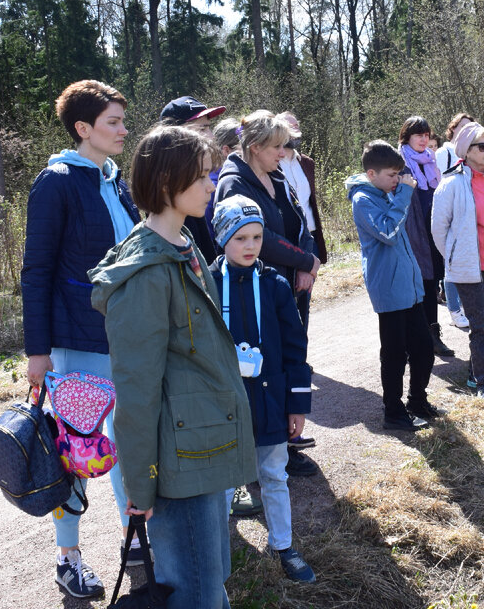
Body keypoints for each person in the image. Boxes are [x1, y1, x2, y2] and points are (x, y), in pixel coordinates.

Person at [89, 124, 256, 609]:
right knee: (196, 593)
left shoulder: (182, 245)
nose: (212, 186)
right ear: (167, 183)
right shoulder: (146, 271)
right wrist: (140, 485)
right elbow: (135, 390)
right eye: (203, 177)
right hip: (179, 462)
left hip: (200, 446)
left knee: (211, 583)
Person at [20, 80, 141, 599]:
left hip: (126, 337)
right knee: (78, 451)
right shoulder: (57, 182)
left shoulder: (115, 182)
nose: (123, 130)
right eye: (113, 122)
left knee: (128, 443)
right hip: (76, 340)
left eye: (122, 121)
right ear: (83, 128)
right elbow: (36, 271)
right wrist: (37, 351)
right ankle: (68, 558)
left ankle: (132, 539)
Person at [209, 195, 317, 583]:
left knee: (274, 474)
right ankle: (217, 557)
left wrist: (296, 405)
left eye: (256, 237)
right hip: (224, 409)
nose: (250, 246)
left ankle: (284, 545)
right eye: (240, 238)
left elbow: (295, 349)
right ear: (222, 239)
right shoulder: (205, 286)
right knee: (221, 484)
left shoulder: (274, 286)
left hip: (270, 401)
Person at [346, 140, 440, 431]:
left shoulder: (388, 192)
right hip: (388, 288)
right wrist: (404, 196)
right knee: (395, 352)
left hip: (408, 287)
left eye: (400, 174)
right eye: (391, 175)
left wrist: (399, 193)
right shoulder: (363, 200)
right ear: (372, 174)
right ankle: (393, 411)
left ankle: (417, 400)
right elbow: (387, 231)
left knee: (424, 348)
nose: (398, 180)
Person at [431, 123, 484, 400]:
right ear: (466, 151)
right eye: (482, 146)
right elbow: (438, 229)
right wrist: (456, 258)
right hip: (470, 267)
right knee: (480, 326)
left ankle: (474, 372)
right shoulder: (452, 183)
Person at [215, 111, 320, 319]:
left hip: (294, 286)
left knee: (296, 348)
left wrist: (305, 269)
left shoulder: (276, 175)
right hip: (259, 293)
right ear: (255, 147)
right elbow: (260, 238)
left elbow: (300, 223)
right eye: (277, 147)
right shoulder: (233, 184)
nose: (283, 153)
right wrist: (305, 261)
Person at [399, 116, 455, 357]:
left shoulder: (432, 160)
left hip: (433, 233)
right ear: (407, 137)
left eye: (426, 135)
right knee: (414, 287)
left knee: (431, 284)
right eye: (417, 135)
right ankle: (413, 343)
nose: (423, 140)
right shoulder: (398, 162)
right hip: (411, 235)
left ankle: (433, 337)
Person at [276, 111, 329, 320]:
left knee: (305, 301)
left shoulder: (307, 163)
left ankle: (301, 348)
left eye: (296, 126)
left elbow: (311, 203)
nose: (295, 130)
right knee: (287, 298)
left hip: (310, 239)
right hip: (285, 240)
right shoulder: (272, 163)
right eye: (289, 127)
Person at [161, 95, 227, 262]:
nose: (211, 137)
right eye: (202, 129)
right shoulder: (169, 186)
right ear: (175, 134)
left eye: (209, 128)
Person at [436, 112, 476, 331]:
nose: (465, 130)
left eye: (470, 127)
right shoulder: (444, 152)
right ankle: (454, 310)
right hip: (451, 214)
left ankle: (465, 305)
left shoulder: (474, 151)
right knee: (450, 263)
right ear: (452, 130)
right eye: (461, 126)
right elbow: (439, 183)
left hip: (470, 214)